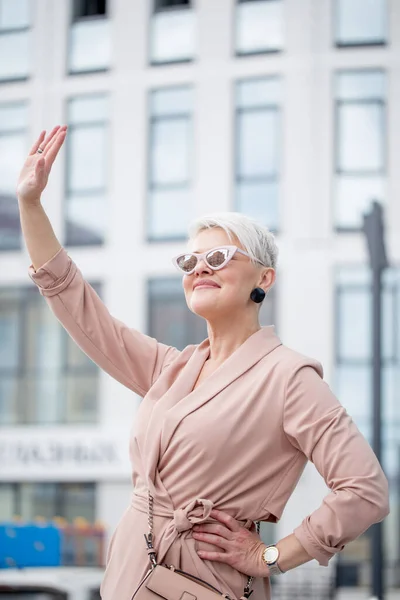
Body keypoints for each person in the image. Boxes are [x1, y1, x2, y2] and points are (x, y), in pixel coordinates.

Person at [17, 126, 389, 600]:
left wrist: (273, 555)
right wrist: (30, 204)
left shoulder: (290, 377)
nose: (200, 269)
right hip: (131, 567)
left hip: (204, 580)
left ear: (264, 277)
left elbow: (365, 489)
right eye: (189, 262)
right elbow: (76, 302)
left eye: (217, 256)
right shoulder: (171, 369)